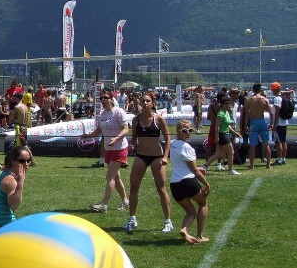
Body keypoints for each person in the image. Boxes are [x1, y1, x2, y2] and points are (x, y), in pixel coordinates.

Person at [123, 93, 174, 234]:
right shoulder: (135, 120)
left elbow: (168, 139)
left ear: (152, 103)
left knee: (161, 188)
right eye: (142, 101)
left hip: (157, 157)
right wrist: (132, 145)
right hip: (141, 156)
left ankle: (167, 220)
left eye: (147, 101)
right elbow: (134, 138)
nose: (145, 103)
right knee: (133, 187)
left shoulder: (159, 119)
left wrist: (165, 157)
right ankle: (132, 218)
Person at [82, 88, 129, 213]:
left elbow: (126, 129)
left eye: (105, 98)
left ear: (111, 99)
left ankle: (103, 205)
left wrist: (116, 138)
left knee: (110, 177)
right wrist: (88, 136)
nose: (103, 100)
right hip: (109, 148)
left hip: (119, 148)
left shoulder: (119, 112)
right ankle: (126, 201)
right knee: (116, 177)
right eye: (101, 98)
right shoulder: (102, 114)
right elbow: (98, 131)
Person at [169, 120, 210, 244]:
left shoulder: (171, 143)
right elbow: (195, 171)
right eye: (185, 131)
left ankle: (184, 230)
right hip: (188, 181)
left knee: (190, 212)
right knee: (203, 203)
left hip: (175, 185)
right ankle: (199, 235)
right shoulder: (188, 148)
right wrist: (206, 184)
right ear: (178, 131)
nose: (188, 133)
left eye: (190, 131)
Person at [203, 97, 241, 175]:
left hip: (225, 133)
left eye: (229, 104)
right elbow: (217, 125)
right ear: (222, 104)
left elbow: (228, 125)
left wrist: (234, 133)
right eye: (226, 104)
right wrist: (216, 136)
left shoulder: (226, 112)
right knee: (231, 152)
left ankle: (204, 166)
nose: (228, 105)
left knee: (218, 154)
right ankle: (230, 170)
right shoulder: (220, 113)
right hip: (222, 134)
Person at [243, 83, 272, 169]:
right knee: (266, 144)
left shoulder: (249, 100)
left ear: (253, 89)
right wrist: (271, 123)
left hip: (253, 121)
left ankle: (252, 165)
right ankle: (268, 165)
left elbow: (247, 115)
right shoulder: (265, 99)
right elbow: (271, 112)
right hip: (262, 121)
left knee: (252, 145)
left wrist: (245, 126)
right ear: (260, 90)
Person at [270, 82, 289, 166]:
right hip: (284, 122)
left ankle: (279, 159)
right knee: (284, 141)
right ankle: (284, 159)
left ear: (275, 89)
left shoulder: (277, 99)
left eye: (272, 89)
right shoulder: (283, 97)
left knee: (278, 142)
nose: (272, 91)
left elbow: (277, 112)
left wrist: (274, 124)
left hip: (279, 123)